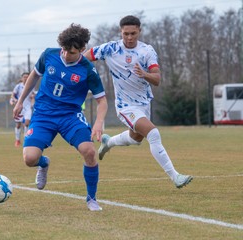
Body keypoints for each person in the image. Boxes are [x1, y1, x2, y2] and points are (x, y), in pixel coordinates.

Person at [84, 15, 193, 189]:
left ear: (139, 31)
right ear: (120, 32)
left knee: (136, 139)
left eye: (133, 33)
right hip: (125, 106)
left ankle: (109, 142)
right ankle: (175, 177)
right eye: (125, 33)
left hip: (143, 104)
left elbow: (157, 79)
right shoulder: (110, 48)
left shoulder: (147, 51)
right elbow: (84, 57)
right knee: (154, 134)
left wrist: (145, 74)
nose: (129, 37)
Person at [13, 23, 108, 211]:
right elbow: (33, 76)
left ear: (82, 50)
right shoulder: (49, 54)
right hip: (43, 115)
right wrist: (20, 101)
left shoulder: (88, 70)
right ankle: (44, 163)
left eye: (71, 52)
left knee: (89, 152)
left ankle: (91, 198)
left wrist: (98, 123)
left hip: (70, 117)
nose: (65, 54)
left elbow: (102, 101)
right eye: (64, 50)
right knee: (29, 159)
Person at [10, 72, 36, 147]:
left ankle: (26, 139)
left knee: (27, 123)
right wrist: (14, 100)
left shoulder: (32, 86)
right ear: (22, 78)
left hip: (28, 108)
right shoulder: (18, 86)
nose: (26, 78)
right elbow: (13, 95)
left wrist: (32, 103)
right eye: (24, 77)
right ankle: (17, 140)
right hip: (20, 108)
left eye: (27, 77)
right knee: (18, 125)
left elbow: (33, 96)